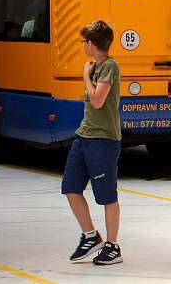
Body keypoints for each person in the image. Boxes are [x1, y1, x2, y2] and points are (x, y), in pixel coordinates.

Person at [61, 20, 123, 265]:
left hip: (103, 140)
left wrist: (86, 76)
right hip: (84, 136)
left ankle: (112, 245)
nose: (82, 45)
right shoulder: (96, 66)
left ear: (91, 43)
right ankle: (90, 236)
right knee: (70, 187)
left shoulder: (109, 67)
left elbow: (97, 100)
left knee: (107, 195)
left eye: (83, 41)